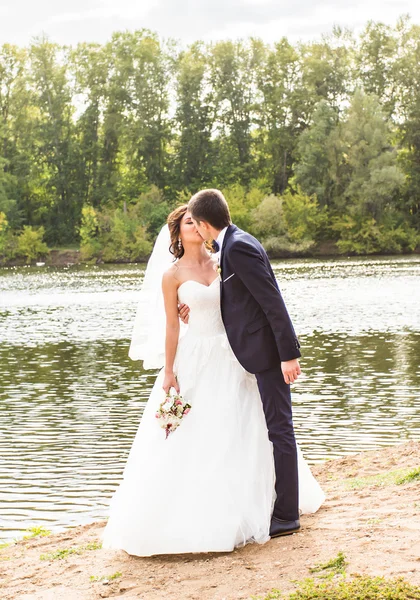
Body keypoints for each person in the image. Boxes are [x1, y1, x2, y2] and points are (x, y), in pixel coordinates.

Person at [101, 203, 324, 557]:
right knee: (200, 433)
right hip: (197, 356)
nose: (194, 226)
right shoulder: (172, 275)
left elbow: (248, 300)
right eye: (187, 222)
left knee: (249, 427)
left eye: (196, 221)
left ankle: (270, 504)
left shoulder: (223, 257)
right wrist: (170, 370)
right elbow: (173, 326)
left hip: (237, 354)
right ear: (178, 232)